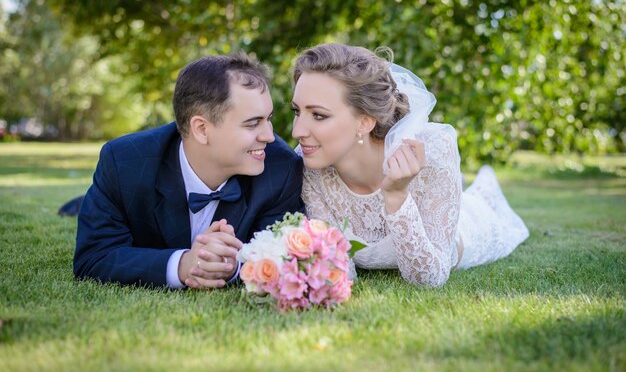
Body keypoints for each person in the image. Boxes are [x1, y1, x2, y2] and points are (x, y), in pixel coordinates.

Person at [290, 43, 528, 286]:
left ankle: (482, 190)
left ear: (364, 122)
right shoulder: (309, 161)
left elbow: (430, 278)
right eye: (297, 111)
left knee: (492, 211)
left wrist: (396, 196)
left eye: (318, 115)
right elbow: (338, 268)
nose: (296, 130)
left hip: (467, 231)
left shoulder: (433, 147)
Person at [74, 53, 305, 289]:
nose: (268, 135)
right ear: (202, 129)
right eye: (253, 123)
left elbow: (282, 258)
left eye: (269, 119)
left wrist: (232, 266)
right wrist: (181, 265)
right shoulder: (125, 162)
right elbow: (94, 257)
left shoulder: (280, 168)